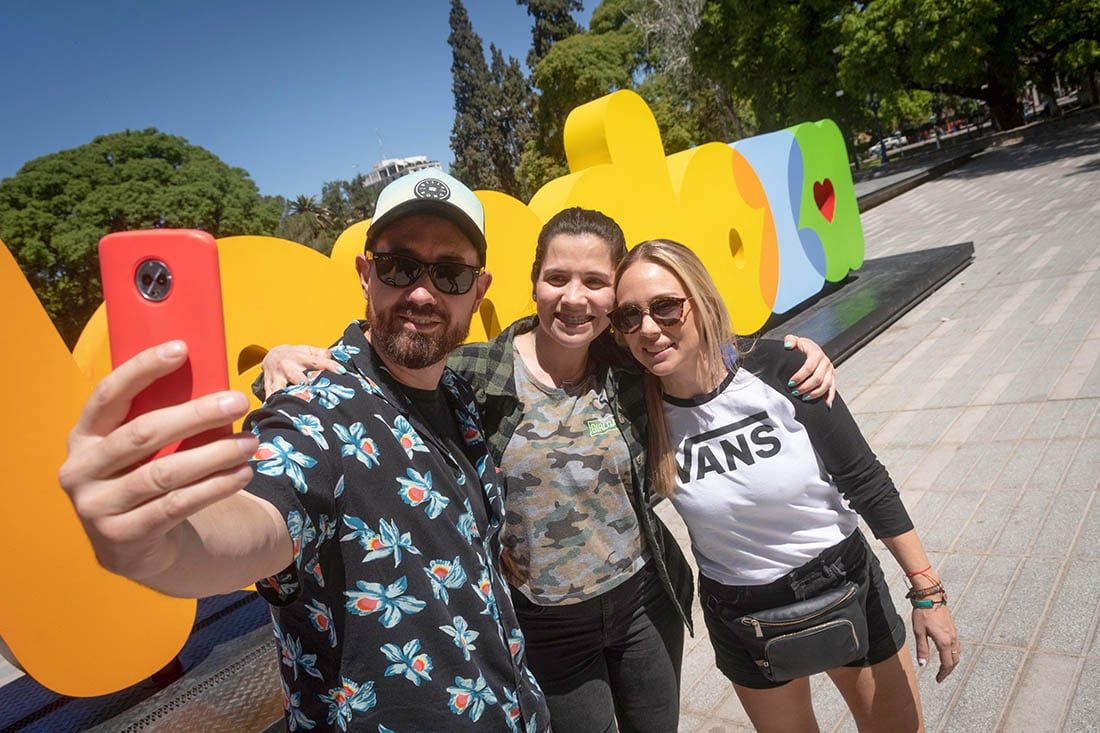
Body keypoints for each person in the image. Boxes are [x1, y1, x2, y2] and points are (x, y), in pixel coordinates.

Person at [258, 208, 837, 732]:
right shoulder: (476, 373)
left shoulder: (625, 364)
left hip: (642, 603)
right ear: (533, 282)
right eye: (557, 278)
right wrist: (282, 364)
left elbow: (702, 351)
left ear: (616, 295)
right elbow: (390, 361)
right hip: (548, 625)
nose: (574, 298)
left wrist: (787, 354)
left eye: (595, 282)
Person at [59, 169, 550, 732]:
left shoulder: (459, 396)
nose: (422, 291)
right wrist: (167, 543)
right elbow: (263, 514)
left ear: (478, 290)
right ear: (366, 275)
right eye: (399, 266)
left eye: (449, 273)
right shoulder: (315, 411)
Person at [609, 239, 960, 733]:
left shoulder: (781, 370)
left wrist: (929, 593)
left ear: (701, 300)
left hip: (842, 579)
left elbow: (866, 482)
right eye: (629, 316)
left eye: (666, 307)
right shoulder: (632, 409)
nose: (649, 328)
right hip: (740, 611)